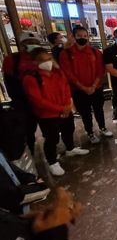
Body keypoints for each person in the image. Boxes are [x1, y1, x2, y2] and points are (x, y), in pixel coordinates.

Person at [23, 48, 89, 176]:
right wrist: (60, 109)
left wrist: (67, 105)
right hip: (47, 114)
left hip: (65, 109)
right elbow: (38, 100)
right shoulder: (31, 78)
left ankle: (70, 149)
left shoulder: (57, 72)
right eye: (42, 60)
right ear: (34, 62)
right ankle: (52, 162)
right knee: (51, 138)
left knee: (69, 129)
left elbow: (66, 88)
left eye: (48, 59)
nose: (47, 62)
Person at [59, 26, 112, 144]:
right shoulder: (66, 54)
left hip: (96, 87)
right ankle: (90, 133)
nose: (82, 38)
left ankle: (103, 127)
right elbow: (68, 73)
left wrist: (93, 85)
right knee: (85, 112)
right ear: (73, 37)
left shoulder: (95, 52)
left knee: (99, 109)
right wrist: (83, 87)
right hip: (78, 90)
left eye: (85, 36)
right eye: (79, 36)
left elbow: (100, 70)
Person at [2, 35, 41, 153]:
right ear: (22, 44)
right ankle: (30, 150)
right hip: (23, 101)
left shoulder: (41, 58)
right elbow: (9, 82)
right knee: (28, 129)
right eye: (29, 42)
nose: (32, 45)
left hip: (42, 100)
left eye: (34, 42)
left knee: (49, 128)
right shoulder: (12, 59)